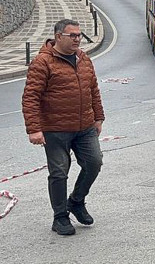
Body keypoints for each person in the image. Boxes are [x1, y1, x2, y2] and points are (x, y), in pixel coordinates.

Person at [21, 19, 105, 236]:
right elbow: (31, 97)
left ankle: (76, 201)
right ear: (58, 37)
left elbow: (93, 90)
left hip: (85, 126)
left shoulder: (84, 59)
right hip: (55, 128)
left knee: (94, 163)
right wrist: (34, 129)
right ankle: (60, 217)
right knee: (59, 172)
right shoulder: (43, 62)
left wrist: (99, 117)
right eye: (72, 35)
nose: (78, 39)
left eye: (79, 35)